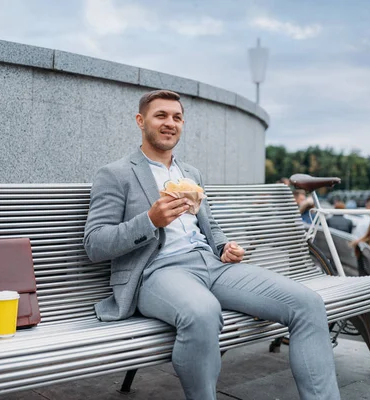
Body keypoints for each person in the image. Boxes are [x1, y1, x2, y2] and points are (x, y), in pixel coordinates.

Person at [84, 89, 340, 400]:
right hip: (158, 273)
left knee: (307, 304)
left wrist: (223, 247)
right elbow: (95, 243)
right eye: (161, 115)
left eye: (177, 117)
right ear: (141, 121)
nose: (170, 123)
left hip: (212, 265)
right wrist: (150, 220)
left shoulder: (190, 173)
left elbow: (211, 227)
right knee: (204, 312)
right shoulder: (116, 174)